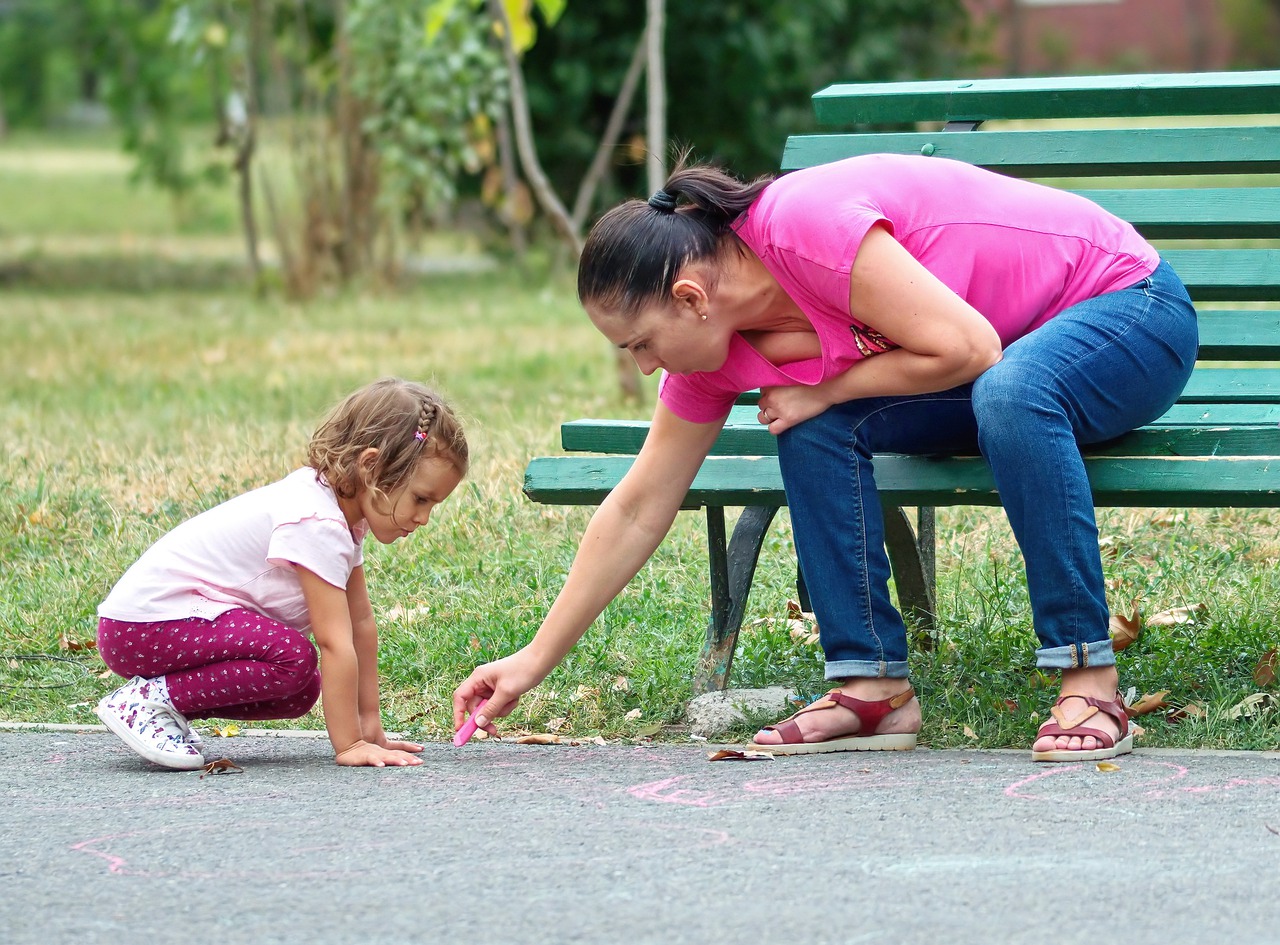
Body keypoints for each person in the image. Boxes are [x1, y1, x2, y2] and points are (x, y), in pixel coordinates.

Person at [453, 152, 1198, 763]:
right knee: (808, 421)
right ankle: (872, 688)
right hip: (998, 370)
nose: (646, 367)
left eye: (640, 343)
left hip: (1125, 310)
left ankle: (1091, 675)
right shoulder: (711, 355)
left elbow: (970, 347)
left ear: (688, 297)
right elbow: (640, 504)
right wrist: (532, 659)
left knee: (989, 392)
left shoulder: (805, 230)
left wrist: (825, 386)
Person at [96, 378, 468, 769]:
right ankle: (144, 703)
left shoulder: (340, 516)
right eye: (420, 498)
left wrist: (370, 728)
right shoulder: (316, 521)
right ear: (371, 467)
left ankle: (163, 706)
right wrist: (350, 746)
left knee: (299, 688)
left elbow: (361, 624)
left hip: (161, 626)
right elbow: (334, 642)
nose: (424, 517)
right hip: (141, 627)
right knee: (292, 657)